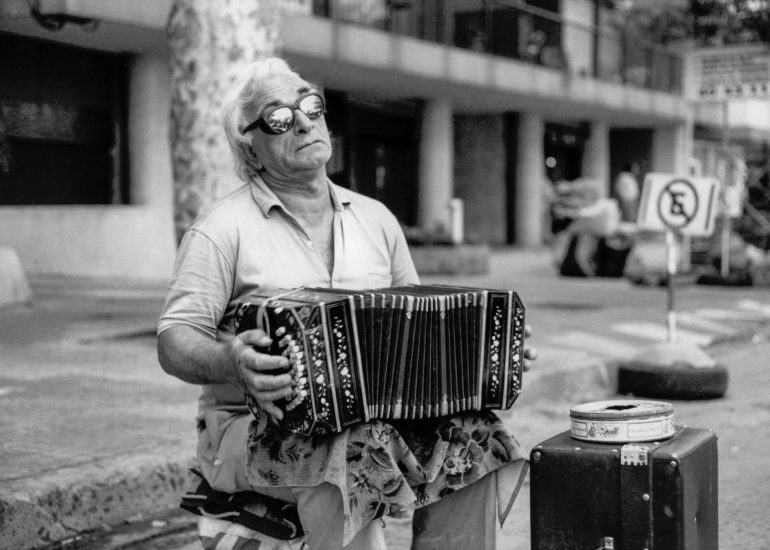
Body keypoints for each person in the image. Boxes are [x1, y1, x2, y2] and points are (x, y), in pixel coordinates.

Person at [157, 57, 536, 550]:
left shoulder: (377, 219)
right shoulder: (220, 230)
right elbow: (174, 340)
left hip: (377, 418)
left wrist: (491, 351)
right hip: (250, 428)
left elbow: (428, 328)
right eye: (279, 118)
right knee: (352, 454)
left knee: (476, 435)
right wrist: (231, 360)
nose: (303, 122)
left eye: (310, 106)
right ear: (250, 145)